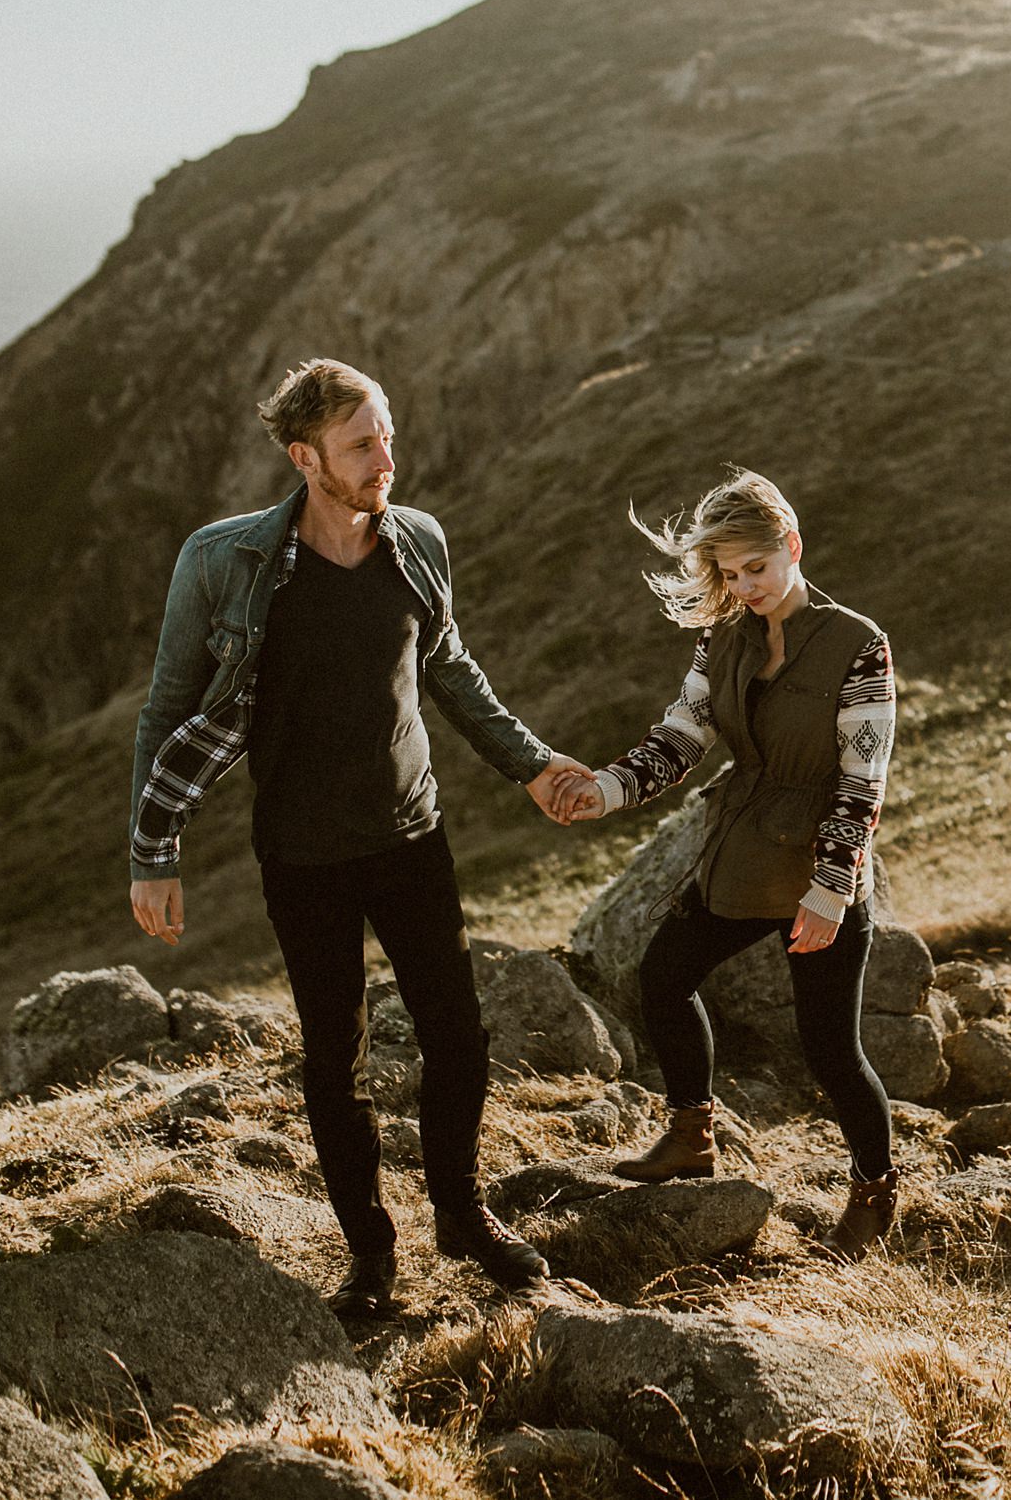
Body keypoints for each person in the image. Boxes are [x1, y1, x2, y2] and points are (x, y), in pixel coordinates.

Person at [125, 357, 592, 1316]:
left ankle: (462, 1214)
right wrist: (152, 856)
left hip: (412, 833)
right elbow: (168, 710)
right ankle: (371, 1257)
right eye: (361, 444)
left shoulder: (416, 539)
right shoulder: (223, 562)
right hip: (302, 854)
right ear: (305, 458)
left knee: (458, 1036)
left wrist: (535, 765)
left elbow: (451, 671)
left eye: (387, 435)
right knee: (333, 1061)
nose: (386, 458)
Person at [555, 469, 900, 1258]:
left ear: (792, 547)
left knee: (831, 1052)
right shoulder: (724, 639)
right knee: (662, 975)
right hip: (740, 855)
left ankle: (876, 1195)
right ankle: (691, 1134)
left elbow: (863, 777)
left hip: (818, 871)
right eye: (729, 573)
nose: (745, 587)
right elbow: (681, 738)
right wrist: (604, 790)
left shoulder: (859, 644)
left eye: (757, 568)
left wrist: (832, 888)